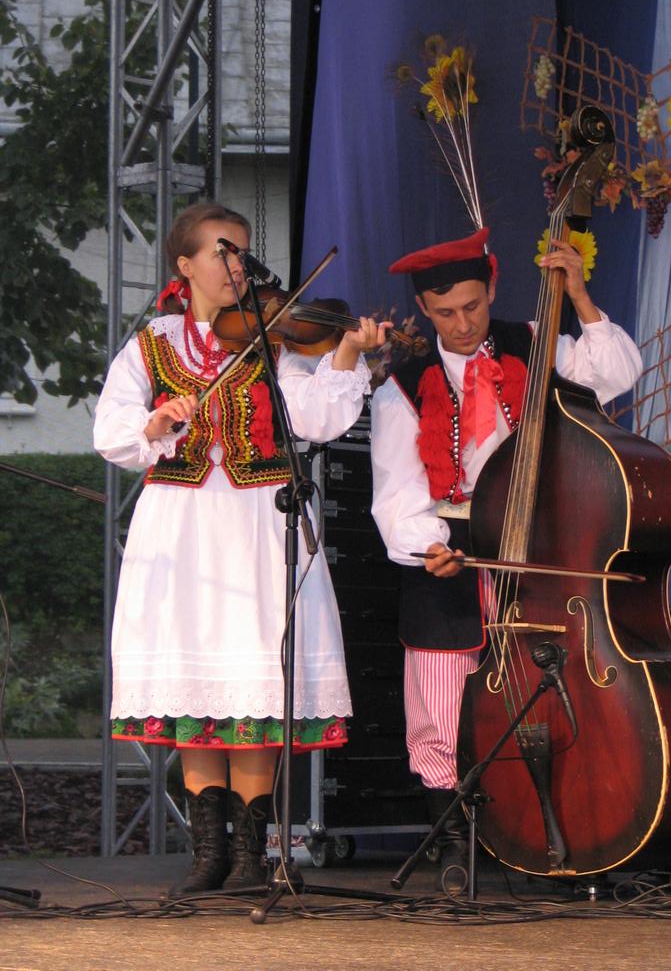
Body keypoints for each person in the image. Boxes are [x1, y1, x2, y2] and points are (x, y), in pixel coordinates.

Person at [94, 201, 388, 896]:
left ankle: (254, 853)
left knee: (258, 674)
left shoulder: (273, 339)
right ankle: (208, 854)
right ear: (185, 265)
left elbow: (315, 418)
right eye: (221, 252)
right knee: (196, 682)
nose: (237, 267)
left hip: (259, 519)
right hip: (182, 527)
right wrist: (156, 421)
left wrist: (347, 352)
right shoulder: (153, 345)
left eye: (242, 252)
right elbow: (111, 431)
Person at [369, 226, 642, 894]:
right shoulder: (401, 387)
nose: (462, 325)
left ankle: (562, 832)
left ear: (491, 288)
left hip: (543, 544)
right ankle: (453, 841)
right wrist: (428, 546)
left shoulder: (537, 341)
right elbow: (395, 495)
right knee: (439, 698)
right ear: (424, 310)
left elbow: (616, 373)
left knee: (557, 690)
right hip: (453, 547)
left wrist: (578, 297)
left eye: (472, 306)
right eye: (444, 313)